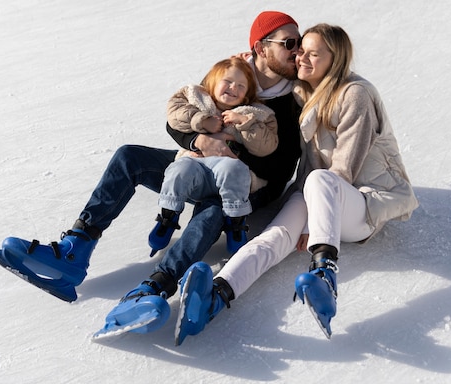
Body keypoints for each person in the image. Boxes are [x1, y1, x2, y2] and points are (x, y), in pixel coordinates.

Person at [0, 11, 303, 336]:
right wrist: (198, 140)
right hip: (195, 162)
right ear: (261, 47)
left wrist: (232, 151)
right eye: (289, 43)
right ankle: (75, 249)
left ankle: (153, 289)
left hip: (244, 185)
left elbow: (283, 166)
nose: (297, 51)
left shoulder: (292, 99)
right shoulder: (234, 74)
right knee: (130, 157)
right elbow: (181, 118)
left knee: (211, 209)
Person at [175, 23, 419, 345]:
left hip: (365, 205)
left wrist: (317, 224)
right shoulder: (304, 91)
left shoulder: (355, 94)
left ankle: (324, 273)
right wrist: (246, 65)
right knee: (272, 238)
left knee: (320, 179)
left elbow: (344, 168)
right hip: (318, 193)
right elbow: (267, 79)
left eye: (312, 53)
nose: (301, 57)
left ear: (335, 59)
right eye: (301, 50)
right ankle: (215, 296)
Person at [149, 57, 278, 257]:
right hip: (196, 167)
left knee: (233, 169)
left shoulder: (255, 114)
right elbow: (175, 114)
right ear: (212, 83)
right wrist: (202, 121)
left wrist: (245, 122)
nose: (233, 87)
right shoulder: (196, 98)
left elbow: (266, 146)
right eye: (227, 81)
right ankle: (168, 216)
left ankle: (236, 222)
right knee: (180, 168)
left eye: (241, 86)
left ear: (245, 97)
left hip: (227, 178)